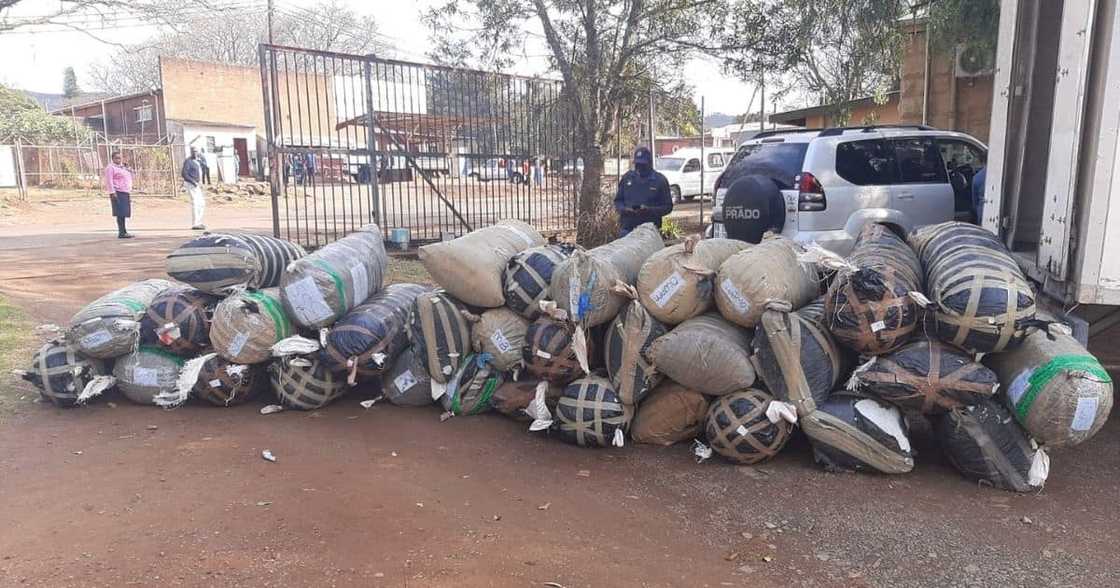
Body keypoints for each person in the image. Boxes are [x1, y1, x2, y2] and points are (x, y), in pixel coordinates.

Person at [614, 146, 673, 237]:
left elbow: (668, 207)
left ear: (649, 163)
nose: (640, 167)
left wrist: (649, 210)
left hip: (649, 232)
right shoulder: (627, 178)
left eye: (643, 165)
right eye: (637, 164)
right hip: (627, 229)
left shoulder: (660, 180)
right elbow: (618, 201)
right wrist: (624, 209)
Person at [103, 151, 134, 239]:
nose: (118, 159)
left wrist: (127, 167)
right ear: (112, 159)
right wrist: (112, 192)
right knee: (120, 213)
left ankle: (124, 231)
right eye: (116, 158)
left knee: (124, 213)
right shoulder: (110, 168)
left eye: (120, 158)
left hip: (125, 191)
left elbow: (131, 175)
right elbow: (109, 181)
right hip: (117, 192)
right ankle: (121, 232)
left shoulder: (122, 167)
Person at [182, 147, 206, 230]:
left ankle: (199, 222)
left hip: (197, 184)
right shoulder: (188, 161)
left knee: (202, 203)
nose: (195, 153)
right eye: (193, 151)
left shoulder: (197, 161)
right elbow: (184, 174)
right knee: (195, 203)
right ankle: (195, 223)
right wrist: (193, 182)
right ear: (191, 152)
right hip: (191, 184)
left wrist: (200, 182)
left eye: (196, 151)